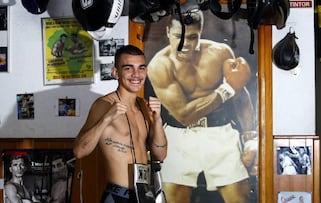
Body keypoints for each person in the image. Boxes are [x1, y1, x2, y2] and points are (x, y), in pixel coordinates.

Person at [147, 9, 256, 203]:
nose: (185, 44)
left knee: (240, 199)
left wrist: (250, 136)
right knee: (173, 200)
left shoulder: (220, 53)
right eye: (179, 36)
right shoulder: (159, 66)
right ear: (167, 33)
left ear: (201, 32)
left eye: (192, 37)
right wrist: (227, 89)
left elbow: (240, 96)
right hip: (179, 135)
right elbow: (185, 115)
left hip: (220, 132)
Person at [73, 45, 167, 203]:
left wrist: (157, 121)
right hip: (119, 195)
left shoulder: (144, 106)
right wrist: (106, 119)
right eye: (128, 68)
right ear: (116, 73)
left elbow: (160, 155)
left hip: (145, 194)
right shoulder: (103, 105)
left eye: (141, 68)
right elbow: (79, 151)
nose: (136, 74)